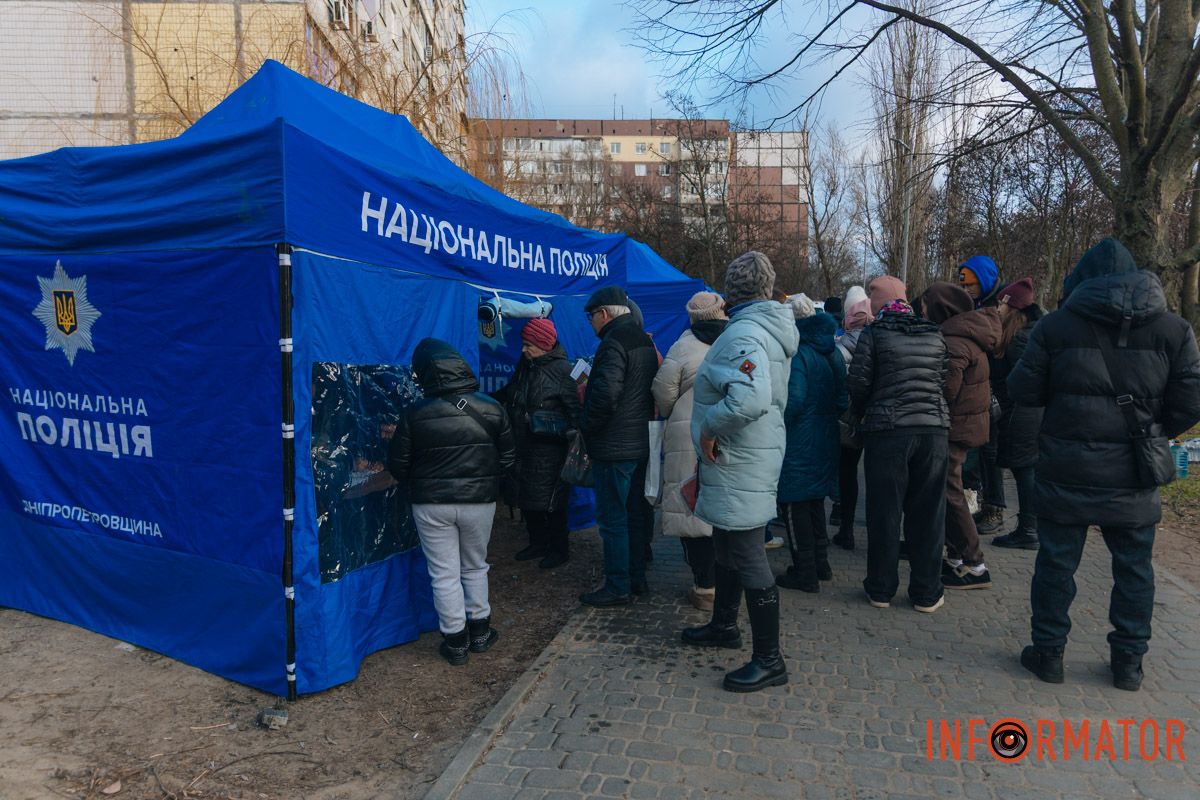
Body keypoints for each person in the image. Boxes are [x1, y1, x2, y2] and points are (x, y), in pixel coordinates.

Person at [1009, 238, 1200, 691]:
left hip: (1065, 469)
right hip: (1134, 472)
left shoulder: (1056, 328)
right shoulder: (1174, 330)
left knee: (1056, 565)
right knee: (1135, 570)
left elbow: (1023, 391)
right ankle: (1129, 664)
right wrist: (1153, 431)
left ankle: (1049, 654)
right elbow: (1192, 400)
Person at [682, 251, 799, 693]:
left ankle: (770, 659)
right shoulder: (767, 328)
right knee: (728, 542)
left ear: (732, 292)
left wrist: (710, 429)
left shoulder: (744, 332)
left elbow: (750, 399)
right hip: (747, 454)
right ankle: (724, 625)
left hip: (738, 456)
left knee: (747, 553)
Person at [387, 338, 516, 665]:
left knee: (443, 573)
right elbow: (509, 458)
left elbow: (398, 466)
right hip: (480, 502)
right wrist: (485, 481)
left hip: (430, 504)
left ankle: (456, 642)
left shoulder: (415, 413)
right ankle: (481, 633)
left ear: (424, 375)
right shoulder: (491, 406)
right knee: (475, 566)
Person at [848, 276, 949, 613]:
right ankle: (926, 593)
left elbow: (859, 383)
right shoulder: (934, 333)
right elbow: (944, 382)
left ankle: (880, 589)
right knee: (929, 515)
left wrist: (864, 415)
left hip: (888, 431)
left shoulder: (874, 334)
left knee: (884, 512)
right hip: (933, 432)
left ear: (876, 305)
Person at [579, 285, 659, 607]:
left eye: (591, 317)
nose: (591, 324)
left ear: (604, 314)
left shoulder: (613, 343)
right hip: (639, 443)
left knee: (613, 520)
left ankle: (617, 586)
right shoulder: (642, 340)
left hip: (614, 447)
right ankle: (636, 578)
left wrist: (586, 426)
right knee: (635, 515)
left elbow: (606, 396)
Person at [922, 283, 1002, 590]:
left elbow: (947, 390)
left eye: (928, 305)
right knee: (950, 489)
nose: (924, 311)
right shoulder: (968, 335)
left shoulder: (953, 341)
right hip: (966, 426)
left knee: (949, 492)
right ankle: (956, 557)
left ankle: (975, 563)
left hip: (954, 427)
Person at [652, 291, 728, 612]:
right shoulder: (737, 341)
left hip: (688, 434)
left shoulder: (682, 347)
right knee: (726, 509)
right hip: (729, 432)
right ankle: (728, 583)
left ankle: (704, 586)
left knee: (691, 507)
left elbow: (662, 393)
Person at [494, 318, 581, 569]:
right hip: (523, 447)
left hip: (550, 451)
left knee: (552, 504)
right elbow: (508, 393)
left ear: (543, 344)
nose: (523, 349)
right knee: (527, 498)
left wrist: (558, 431)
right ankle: (537, 543)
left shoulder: (564, 371)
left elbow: (575, 415)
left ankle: (559, 549)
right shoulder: (526, 366)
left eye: (528, 344)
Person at [776, 294, 847, 592]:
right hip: (826, 436)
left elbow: (793, 401)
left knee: (794, 503)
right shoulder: (832, 350)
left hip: (799, 440)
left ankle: (804, 572)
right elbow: (843, 398)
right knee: (815, 500)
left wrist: (777, 417)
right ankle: (821, 563)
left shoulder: (799, 353)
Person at [989, 278, 1044, 550]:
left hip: (1023, 414)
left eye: (1001, 304)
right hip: (1023, 412)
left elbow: (1023, 380)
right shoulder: (1027, 335)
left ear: (1013, 309)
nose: (998, 308)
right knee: (1025, 470)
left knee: (1025, 471)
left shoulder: (1021, 339)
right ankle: (1029, 527)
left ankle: (1028, 529)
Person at [959, 254, 1007, 533]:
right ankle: (983, 505)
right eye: (964, 286)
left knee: (990, 454)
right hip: (982, 391)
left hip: (993, 393)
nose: (967, 291)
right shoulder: (976, 307)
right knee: (982, 453)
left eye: (971, 286)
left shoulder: (995, 311)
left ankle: (994, 508)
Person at [831, 290, 871, 549]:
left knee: (846, 473)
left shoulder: (841, 345)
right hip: (872, 416)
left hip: (846, 417)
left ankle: (845, 527)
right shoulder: (877, 341)